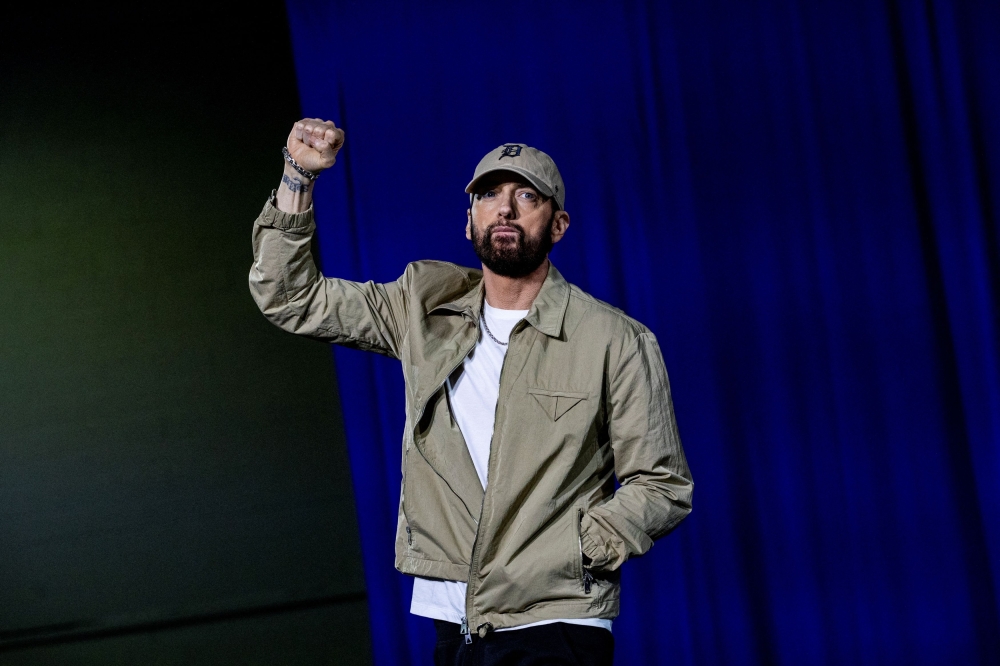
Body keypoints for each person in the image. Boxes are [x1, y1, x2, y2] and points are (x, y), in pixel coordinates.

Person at [250, 118, 694, 666]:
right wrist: (297, 176)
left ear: (558, 225)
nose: (504, 209)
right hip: (453, 617)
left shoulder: (615, 340)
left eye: (525, 196)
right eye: (489, 195)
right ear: (469, 223)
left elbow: (663, 483)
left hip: (554, 616)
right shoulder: (420, 307)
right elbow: (290, 298)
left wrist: (575, 552)